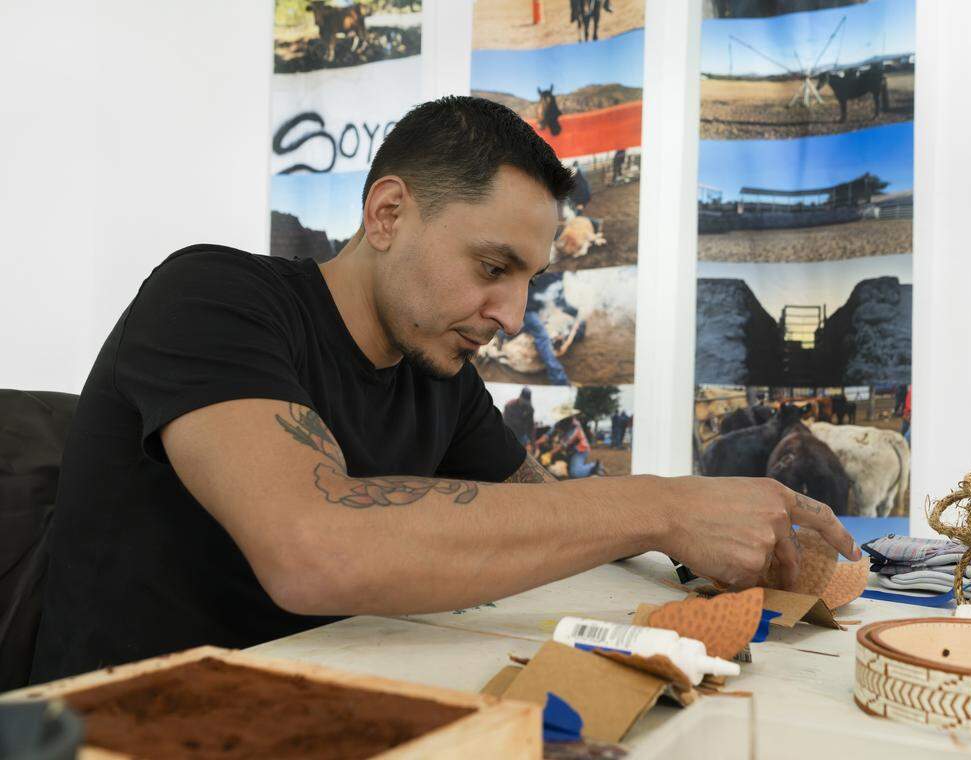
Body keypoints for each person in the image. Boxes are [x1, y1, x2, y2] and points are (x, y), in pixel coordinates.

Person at [30, 96, 858, 683]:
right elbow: (313, 550)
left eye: (528, 280)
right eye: (493, 268)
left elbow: (541, 516)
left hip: (317, 701)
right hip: (119, 726)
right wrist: (663, 507)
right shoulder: (212, 297)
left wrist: (696, 540)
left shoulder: (438, 372)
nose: (510, 313)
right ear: (388, 214)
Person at [521, 272, 582, 386]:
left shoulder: (556, 276)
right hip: (526, 310)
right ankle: (559, 380)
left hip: (535, 310)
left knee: (551, 327)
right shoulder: (550, 274)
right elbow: (558, 301)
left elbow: (560, 302)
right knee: (542, 337)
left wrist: (576, 313)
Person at [536, 405, 601, 478]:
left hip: (580, 450)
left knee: (575, 473)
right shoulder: (559, 424)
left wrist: (550, 454)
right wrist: (536, 443)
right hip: (568, 451)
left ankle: (594, 466)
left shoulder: (575, 427)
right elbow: (547, 436)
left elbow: (563, 444)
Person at [502, 387, 536, 452]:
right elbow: (506, 423)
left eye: (527, 401)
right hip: (508, 432)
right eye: (524, 401)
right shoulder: (510, 405)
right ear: (520, 396)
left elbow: (530, 426)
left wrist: (532, 443)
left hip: (521, 435)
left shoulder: (530, 409)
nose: (525, 403)